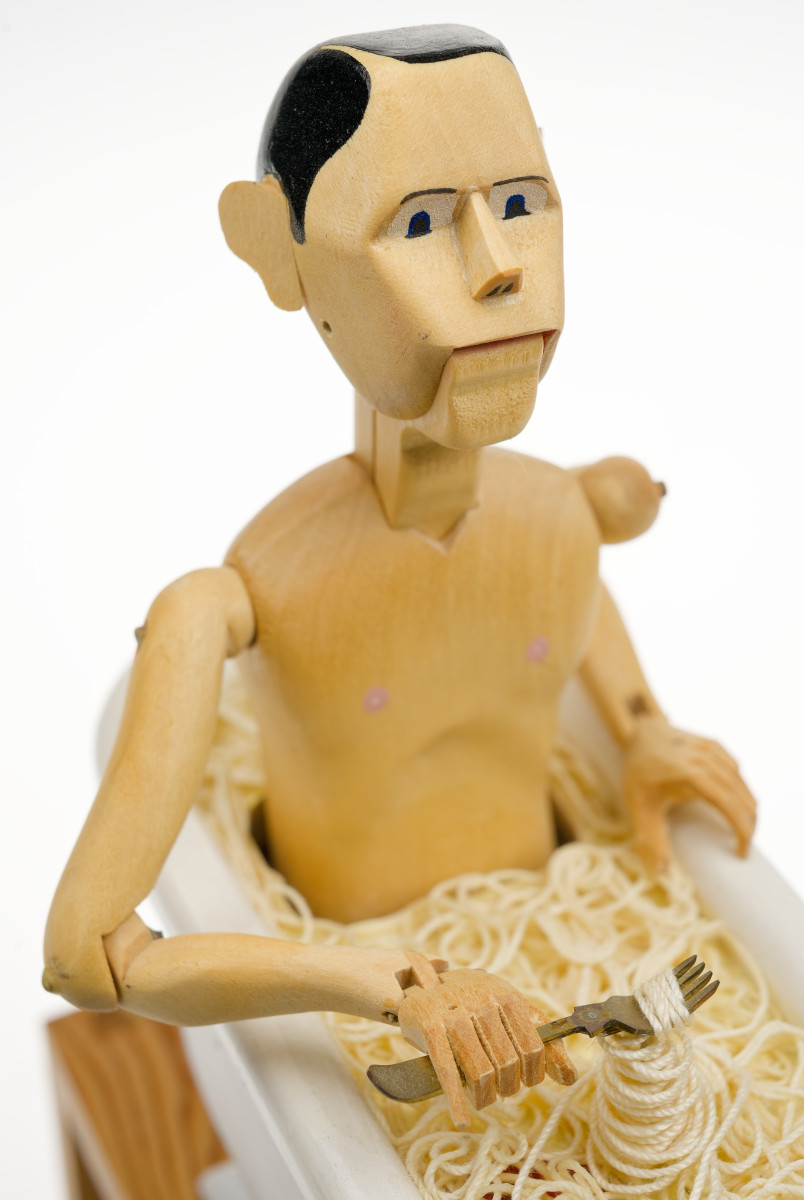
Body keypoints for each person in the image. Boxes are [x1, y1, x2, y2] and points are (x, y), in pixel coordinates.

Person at [43, 25, 756, 1129]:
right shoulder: (235, 598)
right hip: (377, 1028)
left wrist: (643, 729)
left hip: (579, 953)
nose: (501, 264)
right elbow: (88, 957)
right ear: (280, 255)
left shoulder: (560, 513)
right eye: (418, 223)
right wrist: (391, 986)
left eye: (521, 201)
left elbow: (564, 581)